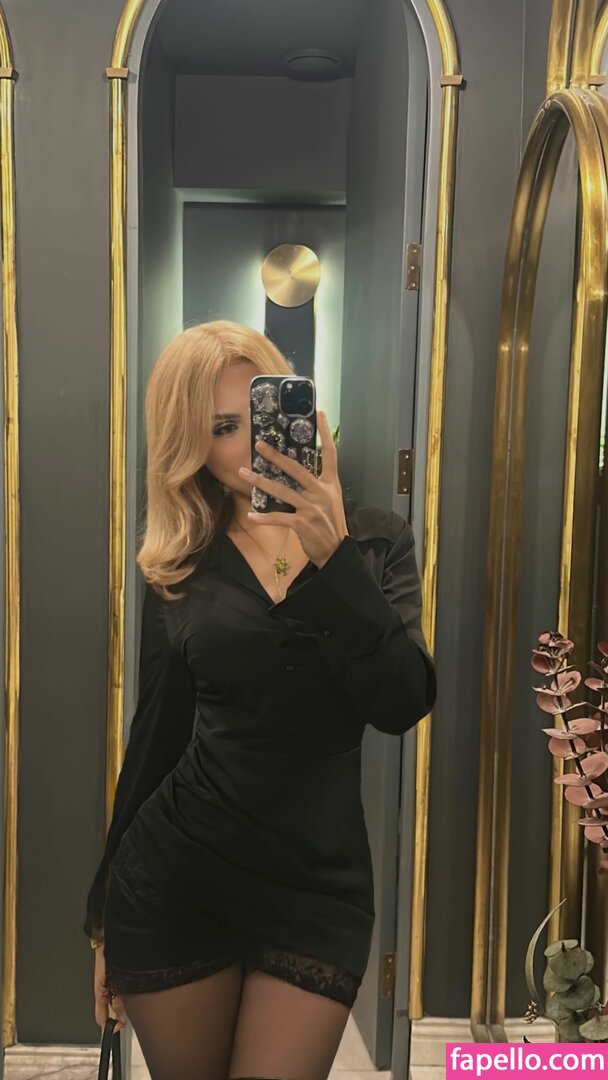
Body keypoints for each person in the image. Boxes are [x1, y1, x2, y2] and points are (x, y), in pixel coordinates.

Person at [83, 320, 436, 1080]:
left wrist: (332, 556)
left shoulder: (376, 543)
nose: (251, 442)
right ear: (192, 449)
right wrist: (103, 913)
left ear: (298, 405)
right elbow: (157, 734)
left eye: (260, 412)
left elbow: (402, 700)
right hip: (176, 880)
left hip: (318, 887)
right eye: (221, 428)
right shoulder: (182, 565)